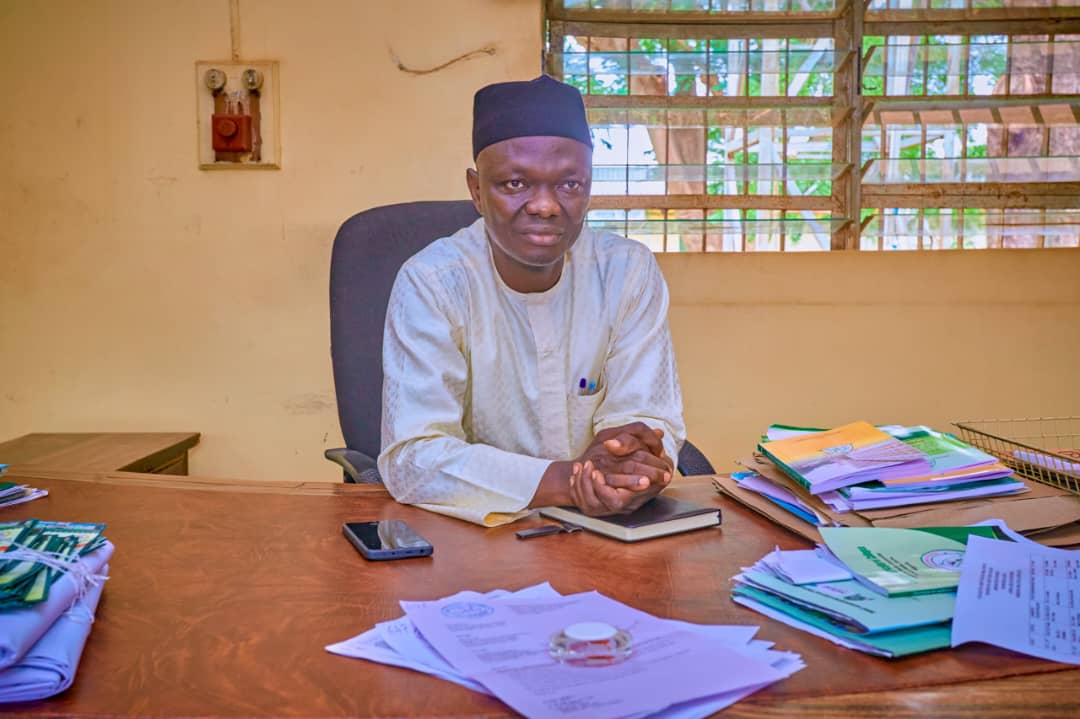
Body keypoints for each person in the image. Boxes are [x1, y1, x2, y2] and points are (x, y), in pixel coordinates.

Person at [378, 75, 686, 526]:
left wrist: (633, 463)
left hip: (606, 530)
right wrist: (571, 481)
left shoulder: (628, 273)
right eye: (515, 183)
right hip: (477, 538)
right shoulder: (432, 283)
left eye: (570, 185)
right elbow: (413, 458)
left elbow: (648, 419)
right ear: (476, 191)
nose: (545, 205)